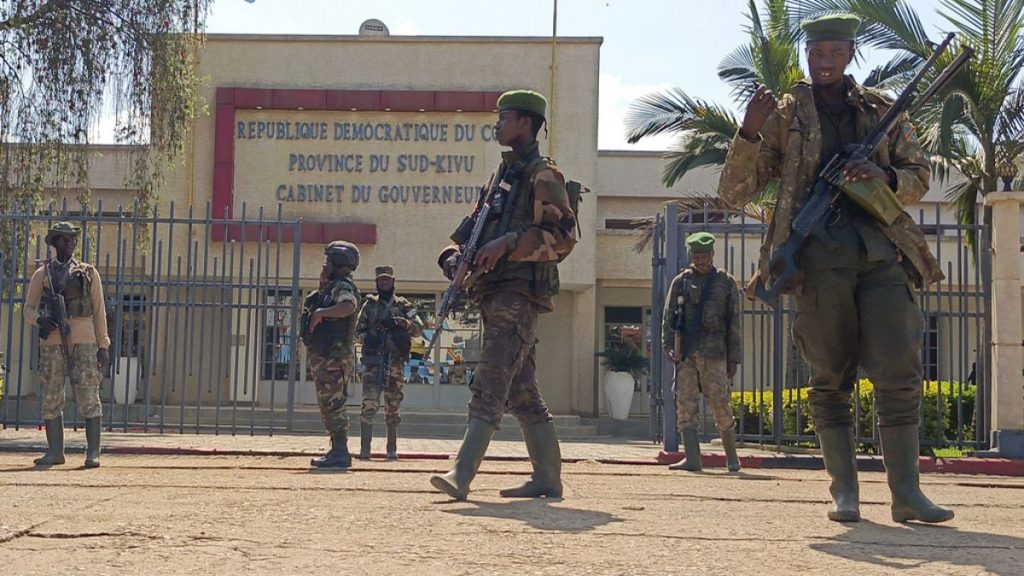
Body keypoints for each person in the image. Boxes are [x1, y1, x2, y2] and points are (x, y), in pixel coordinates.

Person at [718, 13, 953, 523]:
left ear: (850, 55)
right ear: (808, 54)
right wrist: (748, 133)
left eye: (834, 54)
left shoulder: (882, 111)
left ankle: (906, 495)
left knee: (899, 370)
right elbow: (736, 191)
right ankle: (844, 492)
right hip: (819, 262)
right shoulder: (785, 116)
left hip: (882, 253)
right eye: (816, 53)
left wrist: (883, 173)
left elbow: (919, 176)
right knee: (829, 378)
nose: (824, 62)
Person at [430, 89, 578, 500]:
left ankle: (462, 474)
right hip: (491, 291)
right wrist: (454, 259)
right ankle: (547, 478)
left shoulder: (543, 175)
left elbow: (565, 237)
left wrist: (510, 244)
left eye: (504, 116)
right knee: (522, 391)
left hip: (519, 293)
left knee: (492, 379)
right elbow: (470, 235)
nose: (497, 123)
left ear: (526, 123)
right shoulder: (501, 178)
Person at [24, 221, 111, 468]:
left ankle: (93, 452)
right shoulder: (42, 274)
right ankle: (55, 452)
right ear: (53, 243)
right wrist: (40, 319)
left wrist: (103, 345)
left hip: (84, 341)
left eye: (72, 238)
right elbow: (28, 309)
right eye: (63, 239)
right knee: (52, 395)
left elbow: (99, 311)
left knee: (88, 395)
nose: (70, 242)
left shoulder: (88, 273)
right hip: (52, 343)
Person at [661, 232, 742, 473]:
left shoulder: (726, 282)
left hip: (715, 352)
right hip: (686, 352)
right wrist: (668, 345)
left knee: (720, 403)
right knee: (685, 403)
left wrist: (734, 357)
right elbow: (669, 317)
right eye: (696, 255)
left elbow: (734, 322)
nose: (700, 260)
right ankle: (693, 459)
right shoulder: (681, 281)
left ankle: (731, 457)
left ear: (712, 255)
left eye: (704, 255)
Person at [354, 265, 424, 460]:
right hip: (373, 362)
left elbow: (418, 329)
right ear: (377, 282)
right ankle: (365, 449)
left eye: (387, 279)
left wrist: (400, 323)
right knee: (369, 403)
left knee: (393, 405)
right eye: (381, 280)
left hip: (395, 362)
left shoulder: (403, 305)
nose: (384, 283)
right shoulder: (369, 305)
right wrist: (368, 338)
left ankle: (391, 449)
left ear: (393, 281)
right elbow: (357, 331)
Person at [302, 240, 361, 469]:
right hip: (326, 355)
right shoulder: (330, 285)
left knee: (333, 403)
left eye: (328, 260)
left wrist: (322, 312)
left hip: (333, 356)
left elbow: (349, 305)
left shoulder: (342, 286)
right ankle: (337, 450)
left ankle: (340, 453)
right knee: (329, 404)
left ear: (338, 262)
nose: (324, 264)